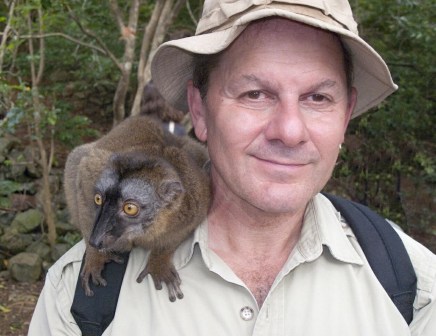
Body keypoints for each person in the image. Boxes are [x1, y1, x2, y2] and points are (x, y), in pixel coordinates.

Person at [28, 0, 436, 335]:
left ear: (345, 116)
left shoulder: (415, 287)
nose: (290, 131)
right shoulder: (78, 300)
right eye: (255, 93)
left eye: (317, 98)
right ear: (199, 111)